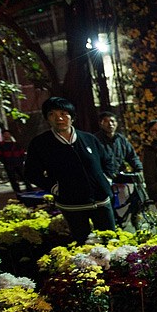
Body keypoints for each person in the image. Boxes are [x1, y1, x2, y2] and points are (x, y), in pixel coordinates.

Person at [25, 96, 117, 242]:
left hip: (101, 201)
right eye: (52, 114)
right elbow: (31, 172)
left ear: (72, 117)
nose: (59, 118)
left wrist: (107, 179)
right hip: (72, 205)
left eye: (63, 113)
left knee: (111, 240)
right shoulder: (40, 144)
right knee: (83, 243)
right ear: (47, 119)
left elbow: (107, 161)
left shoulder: (89, 138)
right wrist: (55, 188)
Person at [96, 112, 143, 177]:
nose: (110, 124)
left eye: (112, 121)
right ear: (101, 124)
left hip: (120, 175)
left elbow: (132, 157)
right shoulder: (95, 140)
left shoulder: (121, 139)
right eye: (106, 121)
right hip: (103, 176)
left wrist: (140, 169)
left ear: (116, 123)